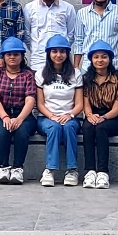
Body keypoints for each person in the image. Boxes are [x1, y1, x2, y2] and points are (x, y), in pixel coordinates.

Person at [35, 33, 82, 186]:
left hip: (70, 117)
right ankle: (50, 170)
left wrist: (70, 115)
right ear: (49, 53)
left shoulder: (76, 74)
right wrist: (52, 116)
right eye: (54, 51)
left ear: (67, 53)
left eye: (62, 51)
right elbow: (40, 104)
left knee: (68, 127)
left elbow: (79, 104)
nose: (58, 55)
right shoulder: (41, 74)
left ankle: (72, 170)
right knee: (54, 127)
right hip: (46, 118)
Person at [0, 37, 36, 185]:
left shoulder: (28, 75)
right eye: (8, 54)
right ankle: (3, 167)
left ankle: (18, 168)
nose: (12, 57)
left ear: (22, 56)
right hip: (0, 114)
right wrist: (5, 117)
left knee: (22, 131)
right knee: (3, 130)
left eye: (16, 54)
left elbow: (30, 99)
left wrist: (20, 118)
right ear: (3, 56)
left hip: (23, 114)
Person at [79, 40, 118, 190]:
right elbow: (85, 103)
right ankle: (90, 171)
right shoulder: (86, 79)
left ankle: (103, 172)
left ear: (110, 59)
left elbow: (116, 109)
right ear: (91, 59)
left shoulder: (117, 79)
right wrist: (90, 115)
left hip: (112, 117)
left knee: (101, 128)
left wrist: (103, 118)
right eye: (96, 57)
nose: (100, 60)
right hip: (93, 114)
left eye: (104, 56)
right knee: (87, 128)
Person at [23, 0, 79, 72]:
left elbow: (71, 34)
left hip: (61, 62)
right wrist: (36, 48)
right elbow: (26, 34)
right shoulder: (29, 8)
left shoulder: (68, 8)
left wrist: (61, 50)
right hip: (38, 61)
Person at [73, 0, 118, 68]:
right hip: (88, 66)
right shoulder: (82, 13)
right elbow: (79, 41)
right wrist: (76, 67)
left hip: (114, 65)